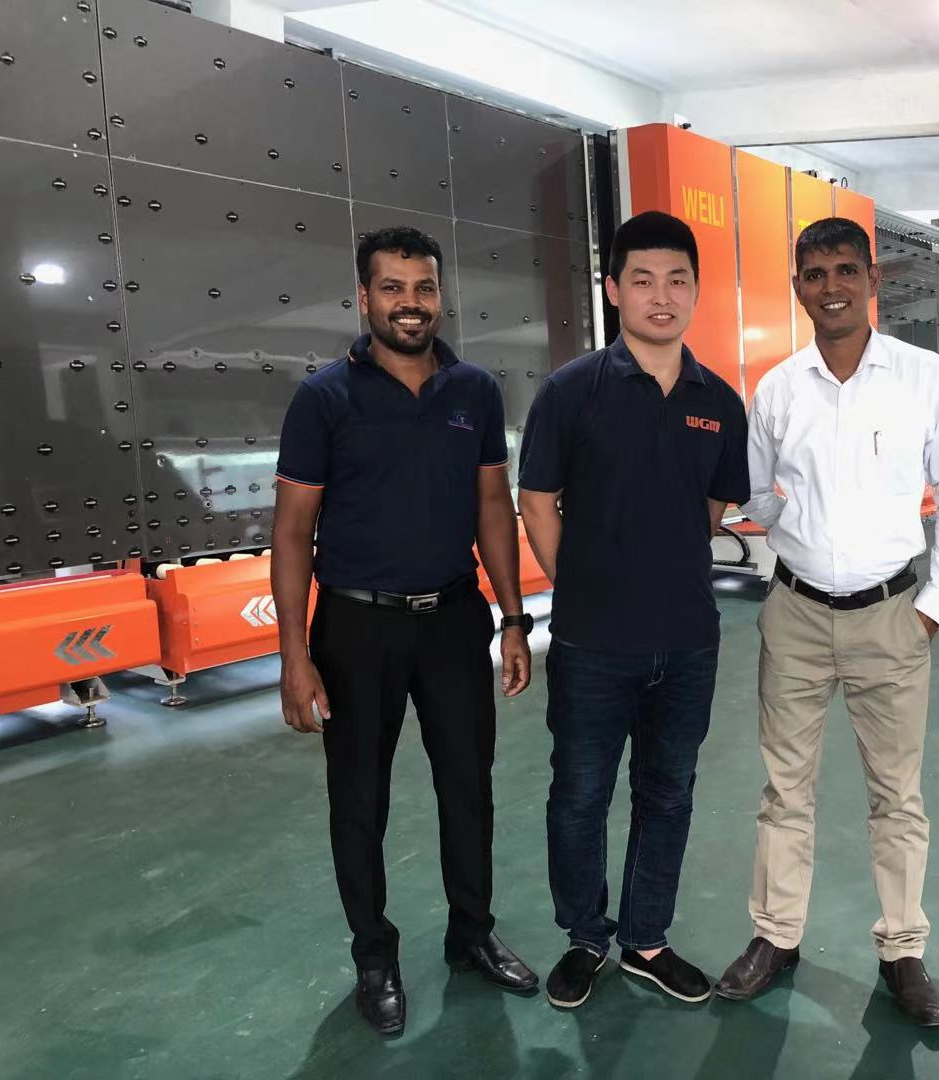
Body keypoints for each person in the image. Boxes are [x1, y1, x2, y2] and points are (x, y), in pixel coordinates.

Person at [271, 225, 538, 1037]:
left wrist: (513, 617)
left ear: (439, 296)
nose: (410, 303)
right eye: (393, 288)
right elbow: (293, 532)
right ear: (364, 298)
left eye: (423, 288)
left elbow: (492, 506)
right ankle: (374, 958)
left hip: (454, 618)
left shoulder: (474, 392)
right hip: (356, 626)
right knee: (359, 799)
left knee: (468, 785)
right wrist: (293, 655)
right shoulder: (324, 398)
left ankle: (471, 935)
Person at [714, 217, 939, 1027]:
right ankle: (776, 937)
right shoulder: (777, 388)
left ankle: (902, 950)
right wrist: (782, 522)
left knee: (896, 795)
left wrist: (934, 606)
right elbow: (753, 493)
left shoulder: (923, 377)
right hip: (794, 615)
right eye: (815, 274)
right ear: (798, 286)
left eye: (844, 271)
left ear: (872, 280)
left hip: (891, 616)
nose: (830, 287)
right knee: (783, 791)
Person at [518, 211, 750, 1010]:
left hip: (687, 640)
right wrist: (584, 583)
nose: (662, 296)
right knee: (580, 794)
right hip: (593, 643)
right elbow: (536, 500)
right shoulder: (571, 391)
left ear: (696, 292)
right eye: (643, 280)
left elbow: (713, 506)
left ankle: (647, 939)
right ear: (613, 289)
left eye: (677, 280)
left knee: (669, 792)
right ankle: (585, 937)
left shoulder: (719, 402)